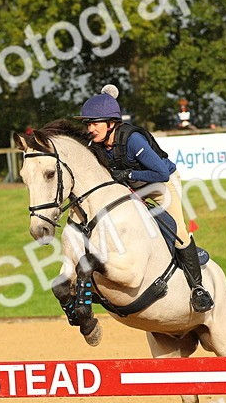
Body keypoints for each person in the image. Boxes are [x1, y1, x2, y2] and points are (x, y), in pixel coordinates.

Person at [77, 84, 213, 312]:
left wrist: (128, 174)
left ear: (111, 123)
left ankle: (198, 288)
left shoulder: (132, 140)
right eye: (87, 124)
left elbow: (160, 173)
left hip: (161, 183)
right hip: (133, 186)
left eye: (94, 123)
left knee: (177, 230)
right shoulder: (96, 144)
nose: (90, 129)